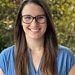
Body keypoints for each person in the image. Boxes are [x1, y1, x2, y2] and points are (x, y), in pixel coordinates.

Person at [0, 0, 75, 75]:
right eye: (27, 17)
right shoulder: (5, 58)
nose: (34, 24)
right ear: (21, 21)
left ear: (47, 21)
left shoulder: (66, 57)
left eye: (40, 17)